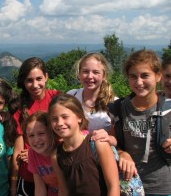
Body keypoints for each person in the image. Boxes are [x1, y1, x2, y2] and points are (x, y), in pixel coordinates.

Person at [111, 49, 171, 195]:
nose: (139, 82)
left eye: (145, 75)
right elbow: (112, 141)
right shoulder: (118, 108)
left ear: (158, 76)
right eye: (133, 76)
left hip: (162, 186)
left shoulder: (168, 107)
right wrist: (122, 153)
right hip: (129, 185)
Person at [49, 93, 120, 196]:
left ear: (79, 117)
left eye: (65, 117)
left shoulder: (97, 144)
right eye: (54, 119)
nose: (59, 123)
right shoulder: (56, 156)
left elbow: (113, 187)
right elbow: (64, 191)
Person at [11, 57, 60, 196]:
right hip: (29, 178)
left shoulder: (57, 99)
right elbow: (18, 151)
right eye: (29, 80)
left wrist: (34, 152)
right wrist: (13, 187)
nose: (35, 84)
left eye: (39, 78)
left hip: (57, 175)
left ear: (46, 77)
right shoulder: (20, 108)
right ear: (24, 82)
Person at [67, 52, 117, 146]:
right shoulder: (71, 96)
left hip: (102, 154)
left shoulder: (113, 103)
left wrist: (108, 138)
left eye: (96, 72)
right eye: (85, 71)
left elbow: (118, 140)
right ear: (79, 74)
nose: (90, 76)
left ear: (104, 75)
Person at [24, 111, 58, 196]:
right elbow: (39, 188)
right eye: (31, 135)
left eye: (41, 133)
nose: (36, 140)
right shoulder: (32, 153)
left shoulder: (62, 149)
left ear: (51, 132)